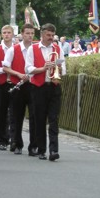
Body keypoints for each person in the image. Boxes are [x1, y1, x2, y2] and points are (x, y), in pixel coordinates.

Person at [25, 23, 65, 162]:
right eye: (48, 35)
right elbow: (28, 68)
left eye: (52, 35)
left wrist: (58, 67)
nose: (51, 38)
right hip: (38, 87)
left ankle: (54, 149)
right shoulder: (33, 48)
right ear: (42, 34)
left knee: (54, 119)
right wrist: (42, 68)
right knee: (39, 119)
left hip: (53, 86)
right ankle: (41, 149)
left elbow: (64, 69)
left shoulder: (57, 48)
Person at [3, 23, 38, 156]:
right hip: (18, 85)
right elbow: (5, 67)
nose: (30, 36)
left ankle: (33, 146)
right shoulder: (14, 49)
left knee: (34, 116)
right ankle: (17, 143)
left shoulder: (36, 49)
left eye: (32, 33)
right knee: (17, 116)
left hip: (33, 86)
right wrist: (18, 74)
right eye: (27, 33)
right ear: (22, 34)